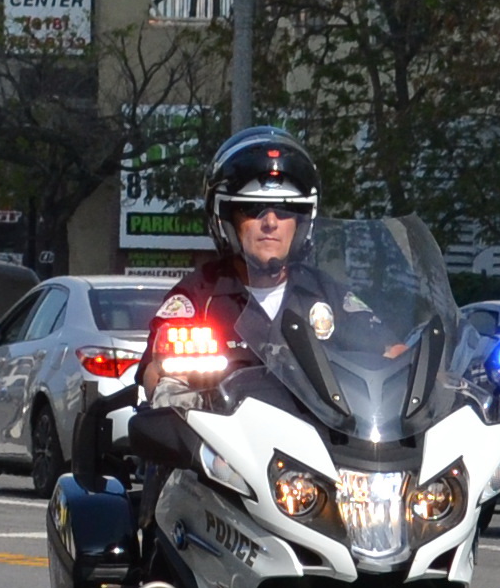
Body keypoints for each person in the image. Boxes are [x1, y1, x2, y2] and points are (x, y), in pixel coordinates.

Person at [125, 129, 348, 514]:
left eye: (284, 210)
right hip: (216, 472)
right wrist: (167, 386)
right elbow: (156, 370)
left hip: (324, 472)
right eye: (252, 209)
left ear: (303, 220)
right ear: (226, 218)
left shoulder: (332, 300)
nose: (271, 222)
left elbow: (385, 354)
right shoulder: (197, 298)